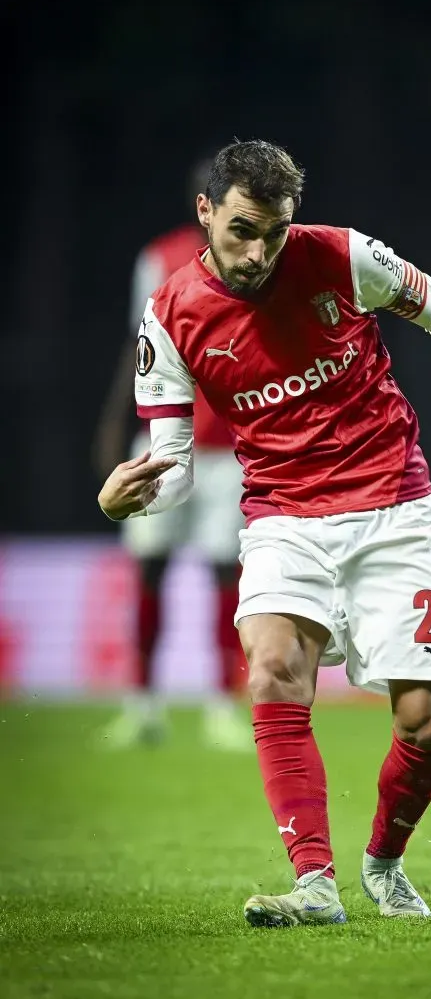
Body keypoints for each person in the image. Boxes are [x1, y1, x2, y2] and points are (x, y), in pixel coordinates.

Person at [97, 139, 431, 925]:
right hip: (282, 518)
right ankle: (314, 885)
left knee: (424, 723)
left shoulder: (342, 257)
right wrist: (125, 503)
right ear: (205, 213)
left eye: (274, 232)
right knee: (271, 671)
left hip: (394, 509)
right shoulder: (168, 313)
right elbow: (173, 464)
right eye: (241, 230)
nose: (259, 251)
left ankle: (384, 862)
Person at [92, 158, 251, 752]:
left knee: (224, 578)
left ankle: (221, 707)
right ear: (203, 203)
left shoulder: (258, 260)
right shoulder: (159, 258)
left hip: (229, 448)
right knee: (150, 571)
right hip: (162, 440)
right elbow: (137, 347)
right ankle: (142, 705)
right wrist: (113, 426)